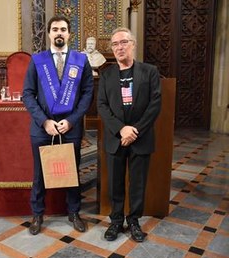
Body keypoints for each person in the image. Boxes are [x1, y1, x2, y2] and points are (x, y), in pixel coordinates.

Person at [22, 15, 94, 235]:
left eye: (63, 29)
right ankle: (37, 214)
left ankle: (74, 212)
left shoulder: (81, 60)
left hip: (69, 128)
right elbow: (28, 94)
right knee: (40, 174)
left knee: (72, 171)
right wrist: (44, 122)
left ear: (69, 33)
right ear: (49, 34)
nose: (59, 33)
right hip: (43, 128)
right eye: (55, 29)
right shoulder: (37, 60)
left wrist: (71, 121)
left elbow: (87, 93)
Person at [97, 27, 161, 242]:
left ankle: (133, 220)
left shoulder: (149, 71)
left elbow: (155, 104)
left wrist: (135, 130)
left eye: (123, 42)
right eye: (115, 44)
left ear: (133, 44)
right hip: (115, 138)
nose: (119, 47)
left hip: (140, 138)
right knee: (114, 182)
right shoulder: (106, 75)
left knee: (138, 183)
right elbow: (102, 106)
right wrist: (120, 128)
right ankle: (116, 220)